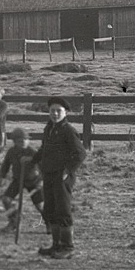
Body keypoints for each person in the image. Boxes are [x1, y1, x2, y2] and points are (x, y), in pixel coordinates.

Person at [33, 96, 86, 258]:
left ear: (66, 112)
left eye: (58, 111)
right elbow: (44, 149)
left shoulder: (68, 130)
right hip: (48, 174)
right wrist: (32, 160)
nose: (55, 114)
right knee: (50, 209)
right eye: (52, 111)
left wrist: (67, 171)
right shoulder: (49, 128)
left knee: (63, 210)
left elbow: (80, 154)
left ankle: (67, 247)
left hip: (62, 177)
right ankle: (56, 245)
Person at [0, 128, 43, 233]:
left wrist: (41, 181)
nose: (23, 142)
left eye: (25, 140)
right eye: (20, 141)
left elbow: (43, 167)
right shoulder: (11, 152)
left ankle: (50, 224)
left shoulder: (33, 152)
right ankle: (14, 221)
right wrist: (2, 177)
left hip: (33, 181)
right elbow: (6, 165)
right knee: (6, 200)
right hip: (18, 180)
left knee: (40, 205)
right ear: (14, 142)